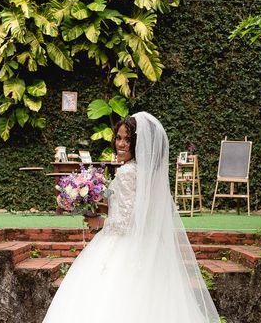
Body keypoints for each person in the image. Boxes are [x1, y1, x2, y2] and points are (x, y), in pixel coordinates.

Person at [42, 112, 220, 323]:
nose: (121, 144)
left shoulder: (127, 172)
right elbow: (133, 210)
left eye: (127, 139)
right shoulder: (144, 172)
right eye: (118, 138)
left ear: (137, 143)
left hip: (124, 245)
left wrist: (98, 221)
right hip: (148, 245)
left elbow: (126, 222)